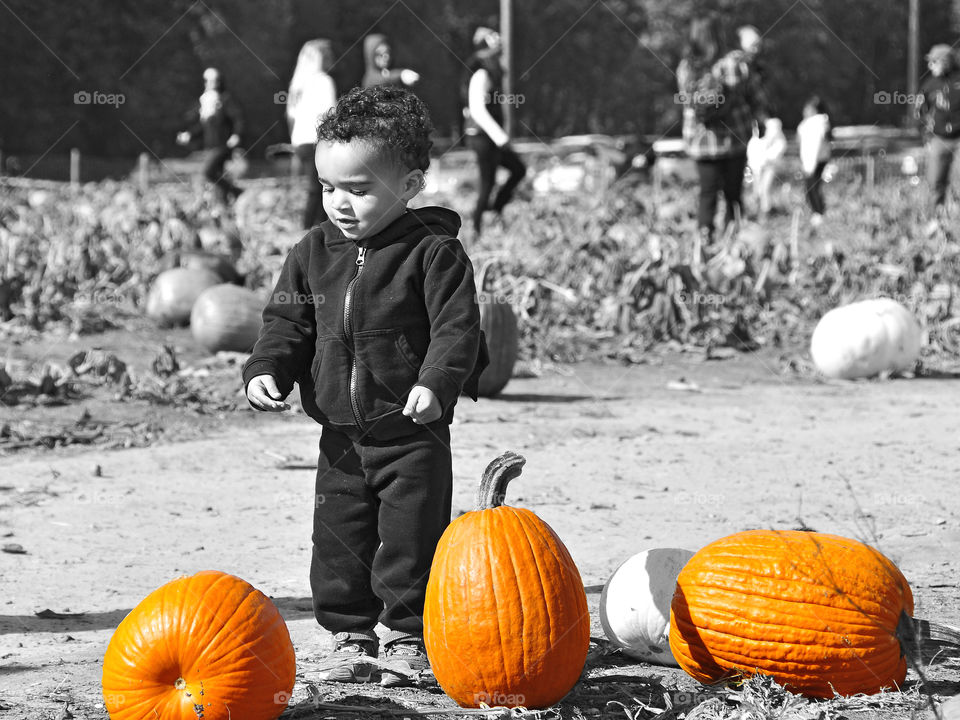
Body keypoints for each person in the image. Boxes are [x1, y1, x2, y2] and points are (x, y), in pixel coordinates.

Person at [242, 85, 488, 687]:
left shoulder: (434, 253)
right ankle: (349, 631)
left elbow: (458, 331)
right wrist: (266, 369)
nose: (340, 204)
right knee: (338, 537)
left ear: (408, 186)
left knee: (411, 537)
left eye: (358, 189)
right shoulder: (311, 252)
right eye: (329, 188)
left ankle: (407, 635)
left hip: (412, 431)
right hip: (340, 435)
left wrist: (436, 383)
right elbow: (287, 323)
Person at [676, 14, 764, 255]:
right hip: (733, 138)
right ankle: (734, 245)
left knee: (707, 194)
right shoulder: (734, 62)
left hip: (701, 142)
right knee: (733, 195)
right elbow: (754, 95)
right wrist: (760, 120)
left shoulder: (687, 67)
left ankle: (704, 244)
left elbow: (686, 102)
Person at [464, 26, 527, 235]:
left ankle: (496, 209)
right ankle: (476, 230)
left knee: (518, 169)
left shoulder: (491, 74)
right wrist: (500, 137)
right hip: (482, 138)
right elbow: (478, 110)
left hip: (490, 138)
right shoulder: (481, 75)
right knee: (487, 184)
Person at [287, 39, 338, 229]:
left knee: (315, 187)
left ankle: (312, 229)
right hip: (318, 141)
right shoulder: (324, 81)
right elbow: (330, 115)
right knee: (321, 189)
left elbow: (291, 116)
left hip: (300, 142)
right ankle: (314, 229)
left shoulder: (298, 83)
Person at [176, 67, 244, 203]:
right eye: (206, 81)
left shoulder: (225, 99)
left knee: (208, 172)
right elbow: (202, 126)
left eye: (212, 81)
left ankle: (237, 192)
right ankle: (225, 205)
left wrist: (237, 134)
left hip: (223, 145)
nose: (208, 84)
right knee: (218, 176)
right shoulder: (207, 101)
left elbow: (238, 118)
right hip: (210, 146)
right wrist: (189, 135)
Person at [915, 44, 960, 233]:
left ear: (946, 62)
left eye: (934, 62)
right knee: (936, 181)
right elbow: (919, 111)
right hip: (939, 139)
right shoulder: (929, 85)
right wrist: (925, 134)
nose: (930, 66)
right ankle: (937, 221)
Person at [797, 96, 832, 227]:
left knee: (812, 188)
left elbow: (814, 145)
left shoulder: (816, 124)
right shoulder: (810, 124)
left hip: (814, 161)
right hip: (812, 161)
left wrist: (810, 165)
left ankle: (818, 213)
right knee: (812, 188)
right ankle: (817, 212)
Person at [746, 116, 787, 217]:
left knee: (766, 189)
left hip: (770, 167)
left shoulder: (777, 137)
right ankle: (759, 210)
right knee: (757, 190)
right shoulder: (756, 138)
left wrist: (766, 159)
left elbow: (778, 150)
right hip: (757, 168)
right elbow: (751, 154)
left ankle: (766, 210)